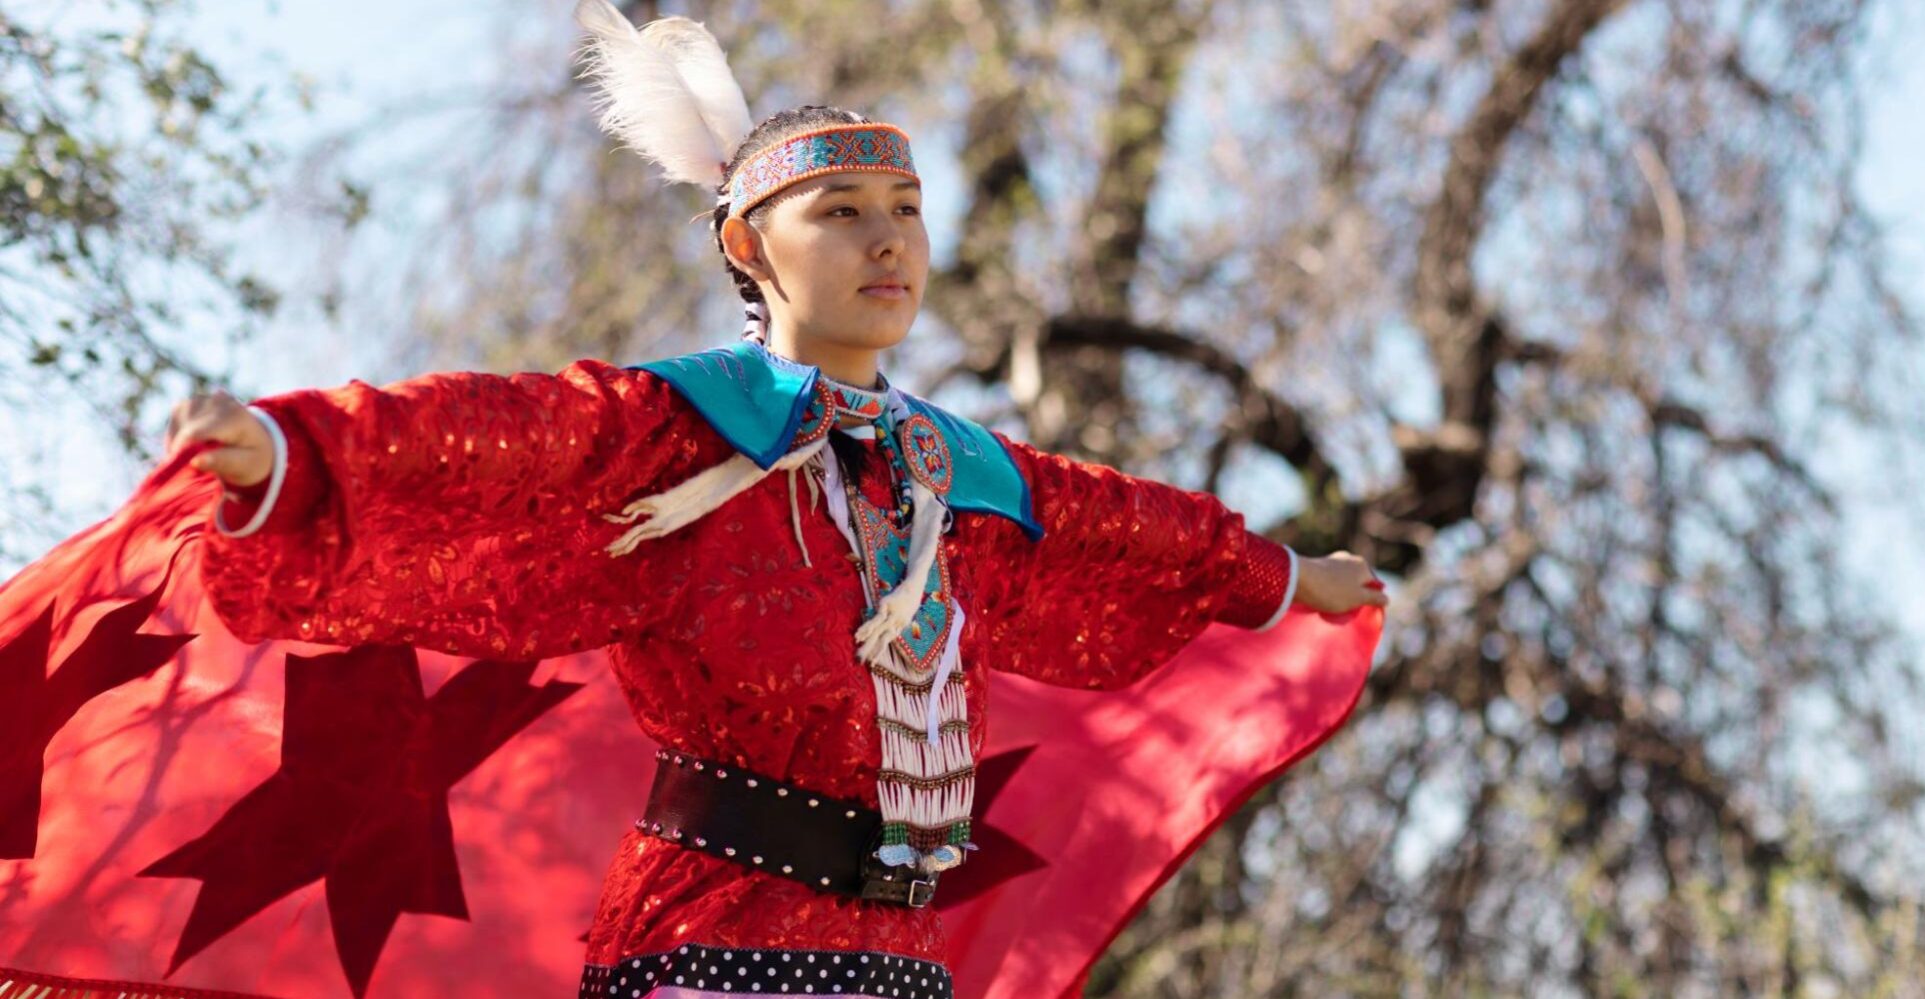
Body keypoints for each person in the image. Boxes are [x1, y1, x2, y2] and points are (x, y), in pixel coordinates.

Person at [162, 5, 1387, 996]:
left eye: (906, 212)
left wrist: (1284, 579)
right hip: (713, 949)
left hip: (901, 963)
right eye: (840, 213)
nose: (887, 243)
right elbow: (501, 438)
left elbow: (1120, 526)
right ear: (749, 247)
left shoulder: (950, 473)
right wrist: (295, 453)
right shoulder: (682, 438)